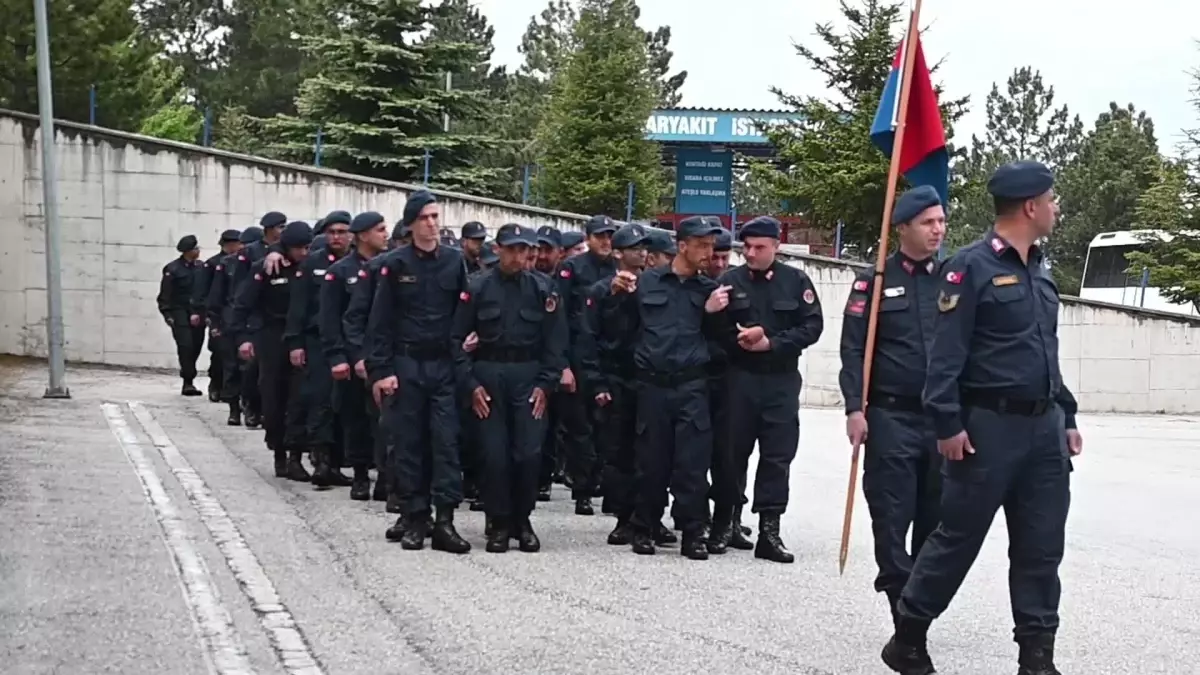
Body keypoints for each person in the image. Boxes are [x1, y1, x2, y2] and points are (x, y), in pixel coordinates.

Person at [881, 161, 1083, 675]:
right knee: (958, 539)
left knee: (1041, 547)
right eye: (1052, 199)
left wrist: (1067, 414)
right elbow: (944, 357)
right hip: (986, 430)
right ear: (1030, 206)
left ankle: (1037, 659)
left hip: (1042, 432)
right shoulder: (968, 268)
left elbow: (1046, 354)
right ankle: (908, 636)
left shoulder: (1039, 269)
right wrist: (947, 423)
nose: (1057, 207)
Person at [838, 185, 946, 627]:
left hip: (942, 419)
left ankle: (919, 601)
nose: (938, 229)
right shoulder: (876, 281)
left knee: (937, 519)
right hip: (891, 416)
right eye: (928, 222)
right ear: (902, 227)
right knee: (891, 514)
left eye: (941, 221)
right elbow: (853, 349)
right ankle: (899, 601)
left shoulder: (955, 278)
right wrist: (854, 409)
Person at [606, 215, 732, 560]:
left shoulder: (711, 292)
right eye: (703, 245)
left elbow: (724, 343)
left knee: (692, 464)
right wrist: (614, 296)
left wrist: (712, 315)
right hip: (652, 387)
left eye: (712, 245)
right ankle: (643, 526)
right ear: (682, 246)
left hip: (692, 386)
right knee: (651, 461)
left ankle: (693, 532)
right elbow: (621, 330)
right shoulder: (646, 285)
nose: (710, 252)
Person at [366, 190, 472, 554]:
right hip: (406, 363)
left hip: (443, 363)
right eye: (425, 218)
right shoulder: (395, 264)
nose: (432, 223)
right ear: (411, 224)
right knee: (408, 443)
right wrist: (382, 370)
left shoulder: (454, 262)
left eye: (435, 217)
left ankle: (444, 520)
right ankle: (414, 516)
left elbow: (464, 311)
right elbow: (380, 321)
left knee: (446, 442)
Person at [452, 223, 566, 552]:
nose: (519, 256)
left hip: (528, 377)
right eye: (512, 249)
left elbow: (556, 343)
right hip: (488, 376)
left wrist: (546, 384)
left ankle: (523, 519)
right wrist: (470, 384)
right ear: (498, 249)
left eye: (524, 250)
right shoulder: (477, 288)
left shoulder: (544, 289)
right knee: (493, 455)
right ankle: (498, 522)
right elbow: (456, 341)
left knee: (529, 453)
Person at [720, 216, 824, 563]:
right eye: (746, 246)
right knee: (732, 452)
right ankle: (726, 522)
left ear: (776, 246)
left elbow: (812, 326)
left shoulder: (796, 281)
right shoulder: (729, 281)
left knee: (777, 456)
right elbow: (711, 328)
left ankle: (769, 530)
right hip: (739, 377)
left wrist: (772, 342)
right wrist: (736, 339)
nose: (750, 253)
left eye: (758, 247)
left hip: (779, 379)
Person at [580, 224, 650, 544]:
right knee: (619, 452)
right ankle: (623, 517)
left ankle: (647, 517)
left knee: (650, 452)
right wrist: (596, 384)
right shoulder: (600, 291)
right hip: (615, 378)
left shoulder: (654, 286)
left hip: (647, 378)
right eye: (635, 247)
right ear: (619, 253)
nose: (642, 252)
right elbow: (588, 339)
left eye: (644, 247)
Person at [230, 221, 314, 480]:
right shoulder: (267, 267)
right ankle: (279, 451)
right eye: (298, 248)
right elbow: (242, 304)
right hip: (272, 336)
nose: (303, 253)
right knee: (274, 397)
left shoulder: (311, 266)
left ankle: (296, 456)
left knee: (300, 399)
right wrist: (243, 337)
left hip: (301, 336)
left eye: (306, 247)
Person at [321, 211, 390, 501]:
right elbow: (332, 319)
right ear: (363, 235)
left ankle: (386, 477)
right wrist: (339, 356)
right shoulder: (340, 272)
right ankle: (360, 475)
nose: (386, 234)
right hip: (353, 359)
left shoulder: (390, 267)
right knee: (355, 418)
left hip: (383, 357)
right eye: (380, 229)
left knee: (385, 421)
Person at [284, 210, 353, 489]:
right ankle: (322, 461)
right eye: (332, 232)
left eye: (342, 231)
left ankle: (337, 461)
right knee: (321, 400)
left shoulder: (359, 263)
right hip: (317, 341)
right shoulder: (313, 263)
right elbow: (298, 306)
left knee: (344, 405)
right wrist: (295, 342)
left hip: (350, 342)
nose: (336, 237)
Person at [556, 215, 618, 515]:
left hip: (608, 356)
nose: (606, 241)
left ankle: (604, 484)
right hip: (579, 356)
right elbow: (559, 318)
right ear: (588, 238)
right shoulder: (572, 269)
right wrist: (563, 365)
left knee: (606, 426)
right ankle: (582, 489)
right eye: (600, 236)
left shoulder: (619, 270)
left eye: (609, 236)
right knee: (580, 427)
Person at [208, 226, 262, 425]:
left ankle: (251, 407)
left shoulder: (264, 266)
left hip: (256, 324)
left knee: (251, 370)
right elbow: (217, 296)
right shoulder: (226, 265)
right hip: (230, 322)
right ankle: (233, 409)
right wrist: (215, 322)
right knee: (231, 368)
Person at [192, 229, 242, 401]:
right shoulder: (213, 264)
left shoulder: (242, 262)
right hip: (218, 315)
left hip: (234, 315)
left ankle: (231, 391)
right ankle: (215, 385)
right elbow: (203, 290)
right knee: (219, 353)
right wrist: (204, 313)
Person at [158, 234, 206, 396]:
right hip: (180, 313)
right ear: (187, 251)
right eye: (195, 249)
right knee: (186, 346)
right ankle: (188, 381)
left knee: (196, 346)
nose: (198, 251)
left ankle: (189, 374)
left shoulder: (201, 267)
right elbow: (165, 294)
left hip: (198, 313)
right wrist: (167, 314)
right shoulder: (173, 269)